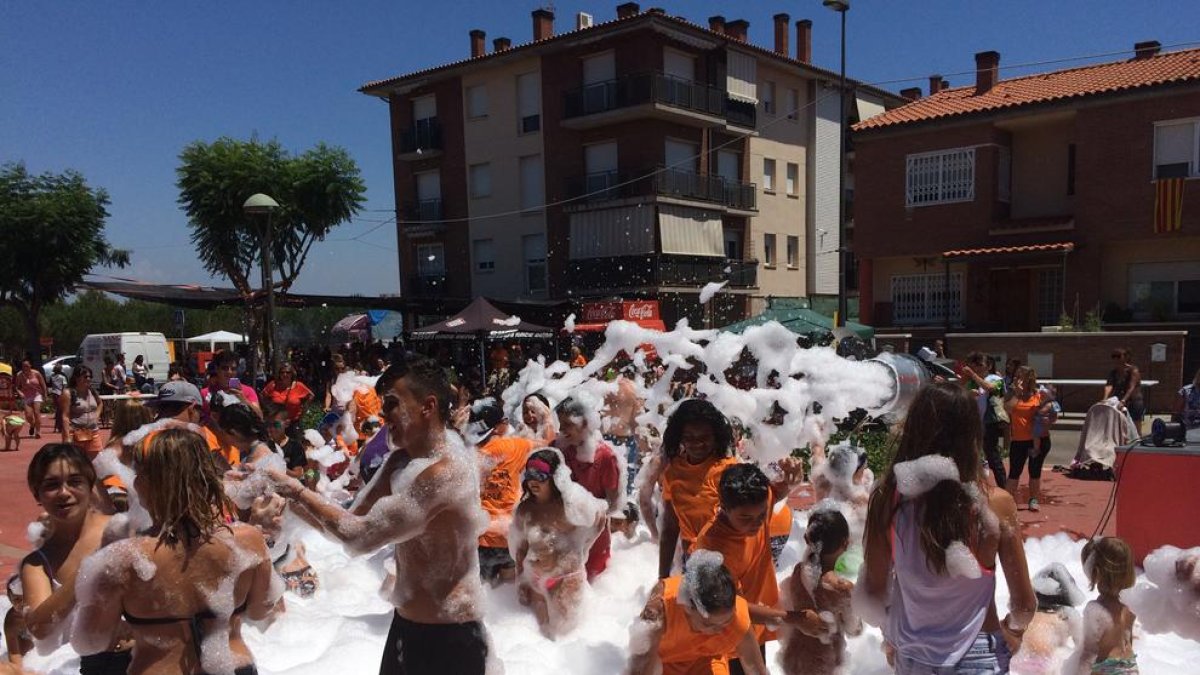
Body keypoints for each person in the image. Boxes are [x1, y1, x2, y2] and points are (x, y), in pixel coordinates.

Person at [251, 357, 492, 675]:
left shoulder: (446, 472)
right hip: (404, 626)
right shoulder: (400, 460)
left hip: (450, 636)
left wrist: (294, 491)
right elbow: (347, 519)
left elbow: (360, 537)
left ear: (427, 406)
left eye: (392, 403)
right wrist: (286, 499)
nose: (381, 414)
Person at [71, 428, 280, 675]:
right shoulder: (249, 541)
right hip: (234, 666)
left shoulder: (126, 557)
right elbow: (260, 612)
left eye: (138, 474)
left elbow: (92, 641)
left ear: (147, 483)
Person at [863, 382, 1037, 673]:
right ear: (972, 434)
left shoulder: (886, 500)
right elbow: (1024, 605)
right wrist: (1014, 632)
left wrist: (890, 638)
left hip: (912, 655)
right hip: (979, 652)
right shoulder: (994, 505)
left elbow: (874, 592)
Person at [691, 464, 827, 675]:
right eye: (745, 518)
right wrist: (796, 618)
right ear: (724, 507)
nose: (756, 524)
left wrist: (793, 477)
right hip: (729, 637)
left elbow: (778, 491)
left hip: (758, 622)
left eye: (762, 515)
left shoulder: (756, 504)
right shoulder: (713, 548)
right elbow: (732, 608)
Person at [20, 444, 130, 673]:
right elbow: (40, 628)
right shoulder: (38, 563)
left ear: (91, 486)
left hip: (139, 658)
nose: (64, 492)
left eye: (74, 481)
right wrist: (88, 569)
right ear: (36, 492)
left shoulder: (122, 529)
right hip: (80, 664)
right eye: (51, 485)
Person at [510, 448, 605, 638]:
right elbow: (520, 548)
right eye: (529, 474)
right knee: (540, 639)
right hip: (535, 578)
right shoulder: (525, 509)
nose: (533, 480)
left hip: (566, 579)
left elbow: (600, 520)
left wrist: (583, 550)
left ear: (554, 477)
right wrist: (520, 579)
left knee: (565, 639)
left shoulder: (570, 506)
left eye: (540, 475)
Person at [628, 550, 768, 675]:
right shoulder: (659, 611)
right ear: (687, 607)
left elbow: (756, 669)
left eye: (726, 622)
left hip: (705, 661)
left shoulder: (737, 616)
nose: (719, 630)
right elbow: (641, 666)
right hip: (663, 664)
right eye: (708, 624)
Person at [653, 399, 740, 579]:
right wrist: (662, 578)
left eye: (704, 437)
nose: (696, 444)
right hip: (691, 561)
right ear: (679, 437)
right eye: (689, 437)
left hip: (725, 561)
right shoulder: (673, 472)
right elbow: (670, 528)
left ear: (716, 436)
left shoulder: (728, 470)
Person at [473, 397, 554, 585]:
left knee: (485, 594)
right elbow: (547, 442)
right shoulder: (514, 446)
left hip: (481, 539)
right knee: (508, 593)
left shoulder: (471, 453)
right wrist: (547, 416)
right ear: (500, 426)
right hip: (509, 538)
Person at [779, 509, 862, 675]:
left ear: (807, 539)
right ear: (845, 543)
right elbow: (855, 629)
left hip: (794, 655)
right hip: (824, 662)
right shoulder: (840, 588)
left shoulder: (798, 571)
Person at [554, 396, 623, 580]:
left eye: (567, 424)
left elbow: (613, 504)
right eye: (560, 424)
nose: (561, 430)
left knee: (594, 585)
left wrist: (586, 510)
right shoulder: (559, 449)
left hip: (594, 536)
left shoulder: (605, 456)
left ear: (585, 423)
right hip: (565, 532)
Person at [1008, 563, 1085, 675]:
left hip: (1019, 664)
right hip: (1048, 665)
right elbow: (1083, 644)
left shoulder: (1027, 614)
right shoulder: (1067, 614)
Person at [1076, 537, 1138, 675]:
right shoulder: (1131, 605)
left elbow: (1088, 654)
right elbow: (1128, 642)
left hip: (1106, 669)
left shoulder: (1095, 609)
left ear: (1096, 572)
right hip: (1130, 667)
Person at [961, 351, 1008, 489]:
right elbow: (958, 393)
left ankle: (1004, 489)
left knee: (993, 456)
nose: (977, 368)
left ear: (989, 366)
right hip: (973, 423)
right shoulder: (972, 382)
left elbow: (990, 388)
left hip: (990, 424)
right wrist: (965, 383)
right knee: (970, 456)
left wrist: (972, 375)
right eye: (974, 365)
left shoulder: (995, 378)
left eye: (980, 365)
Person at [1006, 366, 1050, 512]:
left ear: (1029, 379)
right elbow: (1007, 410)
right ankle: (1007, 501)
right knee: (1014, 471)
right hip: (1018, 440)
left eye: (1021, 376)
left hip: (1036, 441)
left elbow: (1049, 414)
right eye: (1016, 376)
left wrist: (1046, 415)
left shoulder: (1038, 395)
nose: (1017, 379)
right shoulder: (1012, 394)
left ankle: (1033, 499)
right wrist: (1017, 394)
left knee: (1034, 470)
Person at [200, 351, 260, 420]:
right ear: (217, 369)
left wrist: (244, 400)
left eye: (233, 369)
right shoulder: (205, 393)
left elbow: (260, 417)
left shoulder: (248, 391)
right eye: (225, 368)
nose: (229, 372)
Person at [58, 366, 103, 458]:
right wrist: (67, 437)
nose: (89, 379)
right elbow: (65, 416)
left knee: (95, 463)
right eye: (85, 377)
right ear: (77, 378)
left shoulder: (92, 391)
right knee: (75, 462)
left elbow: (100, 403)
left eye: (90, 376)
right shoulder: (68, 393)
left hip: (92, 432)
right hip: (74, 433)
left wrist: (96, 416)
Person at [260, 362, 314, 434]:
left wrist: (303, 411)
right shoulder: (273, 385)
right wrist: (268, 408)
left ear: (292, 374)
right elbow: (262, 395)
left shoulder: (299, 386)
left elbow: (311, 396)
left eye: (288, 372)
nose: (285, 374)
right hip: (277, 422)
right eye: (282, 372)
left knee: (293, 442)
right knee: (277, 441)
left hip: (293, 422)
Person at [1103, 349, 1144, 435]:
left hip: (1134, 400)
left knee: (1135, 424)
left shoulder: (1133, 370)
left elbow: (1131, 387)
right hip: (1120, 401)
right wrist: (1105, 399)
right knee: (1121, 425)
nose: (1116, 359)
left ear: (1125, 357)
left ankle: (1138, 441)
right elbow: (1109, 386)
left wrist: (1123, 400)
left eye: (1119, 356)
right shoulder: (1113, 373)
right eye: (1114, 357)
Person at [4, 576, 32, 668]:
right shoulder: (12, 621)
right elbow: (13, 654)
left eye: (26, 597)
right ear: (10, 599)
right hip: (28, 638)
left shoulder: (44, 609)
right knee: (24, 652)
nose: (22, 603)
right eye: (16, 599)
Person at [15, 359, 47, 440]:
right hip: (26, 396)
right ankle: (32, 425)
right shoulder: (19, 375)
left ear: (30, 366)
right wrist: (20, 392)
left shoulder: (36, 373)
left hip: (37, 395)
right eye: (23, 366)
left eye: (26, 366)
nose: (24, 367)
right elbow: (16, 387)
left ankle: (38, 431)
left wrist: (45, 395)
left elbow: (43, 384)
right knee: (28, 415)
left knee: (37, 412)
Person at [48, 363, 68, 434]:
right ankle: (59, 426)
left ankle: (57, 426)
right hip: (60, 394)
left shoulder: (52, 377)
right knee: (61, 411)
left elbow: (50, 385)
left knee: (58, 411)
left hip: (54, 394)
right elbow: (64, 387)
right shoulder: (62, 377)